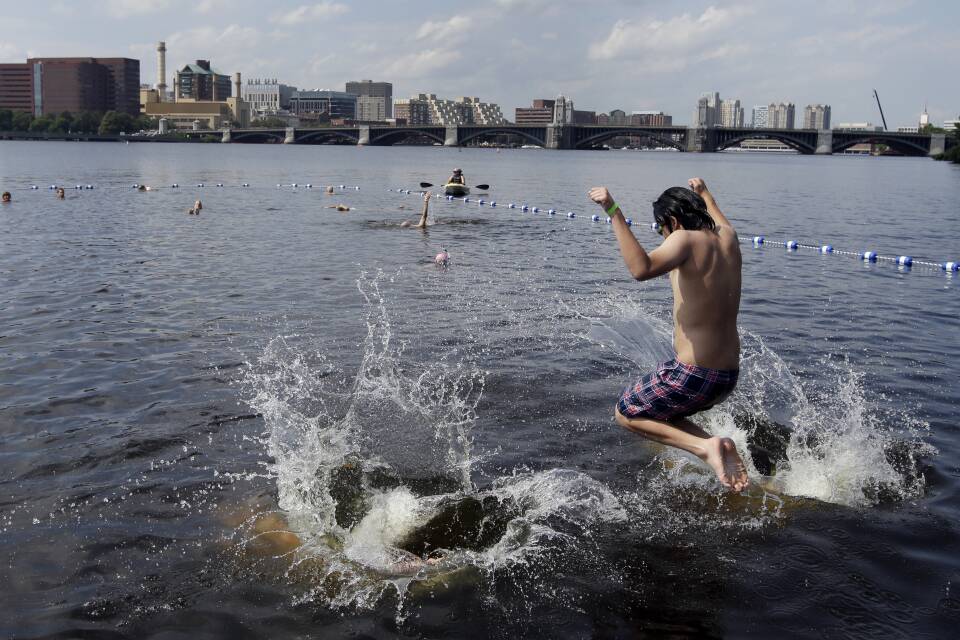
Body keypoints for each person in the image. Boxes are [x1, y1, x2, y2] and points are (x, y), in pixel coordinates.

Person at [588, 178, 748, 492]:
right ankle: (716, 447)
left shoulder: (684, 240)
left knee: (627, 412)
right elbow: (715, 215)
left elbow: (641, 268)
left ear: (672, 222)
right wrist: (704, 193)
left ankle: (707, 449)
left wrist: (613, 210)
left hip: (694, 374)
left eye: (659, 229)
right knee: (663, 415)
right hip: (726, 377)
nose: (662, 237)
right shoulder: (729, 237)